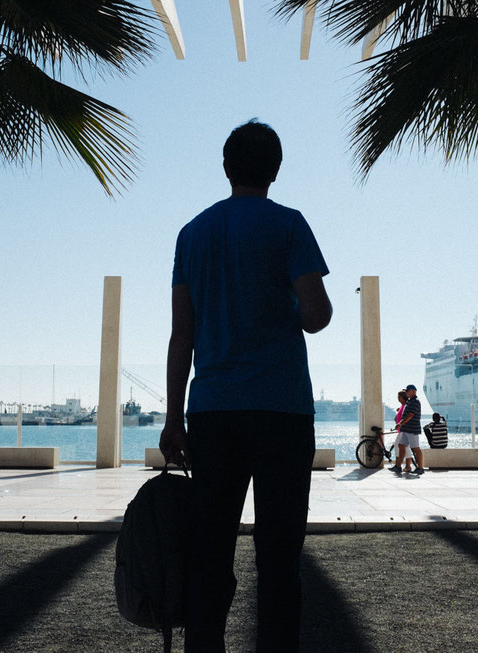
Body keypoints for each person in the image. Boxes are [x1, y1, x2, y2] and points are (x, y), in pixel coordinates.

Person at [158, 119, 332, 653]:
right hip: (282, 411)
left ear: (226, 166)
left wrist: (172, 419)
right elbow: (316, 315)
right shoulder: (290, 225)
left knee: (210, 550)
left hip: (212, 413)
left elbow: (181, 335)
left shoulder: (193, 233)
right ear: (275, 170)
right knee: (279, 555)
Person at [391, 384, 424, 475]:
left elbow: (410, 415)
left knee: (415, 448)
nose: (406, 393)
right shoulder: (410, 401)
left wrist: (400, 423)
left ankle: (420, 467)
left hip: (412, 429)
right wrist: (401, 424)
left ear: (413, 391)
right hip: (406, 429)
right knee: (401, 445)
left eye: (407, 391)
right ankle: (398, 466)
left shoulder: (415, 402)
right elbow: (406, 415)